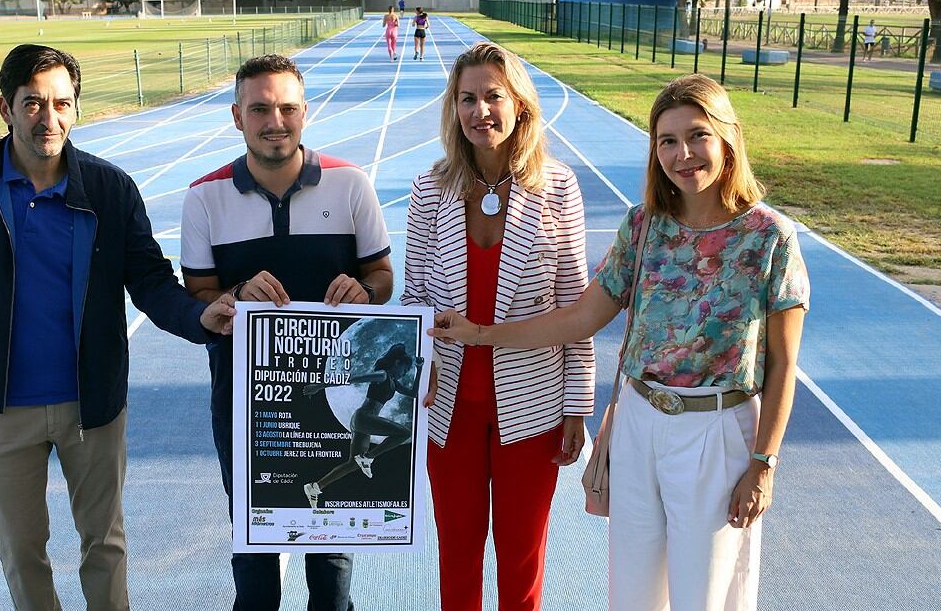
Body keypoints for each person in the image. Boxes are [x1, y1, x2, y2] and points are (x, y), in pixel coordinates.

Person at [431, 73, 810, 611]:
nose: (684, 154)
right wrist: (483, 335)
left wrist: (763, 463)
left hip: (715, 432)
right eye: (667, 141)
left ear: (728, 137)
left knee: (703, 597)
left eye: (697, 135)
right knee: (631, 595)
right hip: (638, 425)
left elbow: (783, 366)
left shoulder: (769, 237)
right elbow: (580, 318)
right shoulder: (643, 226)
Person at [0, 43, 236, 611]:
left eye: (62, 104)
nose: (50, 119)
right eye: (34, 104)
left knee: (104, 545)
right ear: (5, 107)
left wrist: (200, 316)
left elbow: (149, 278)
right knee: (21, 550)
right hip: (2, 405)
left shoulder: (110, 188)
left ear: (76, 107)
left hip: (92, 406)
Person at [180, 53, 394, 611]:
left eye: (287, 108)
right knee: (253, 561)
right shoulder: (204, 196)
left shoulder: (351, 184)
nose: (276, 121)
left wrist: (364, 292)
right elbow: (198, 296)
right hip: (250, 406)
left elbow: (383, 278)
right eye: (260, 109)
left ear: (305, 112)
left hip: (334, 400)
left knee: (331, 562)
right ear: (236, 116)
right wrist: (232, 298)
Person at [402, 41, 596, 611]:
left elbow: (575, 305)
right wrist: (417, 379)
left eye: (493, 96)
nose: (479, 111)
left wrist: (576, 405)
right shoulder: (427, 189)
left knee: (521, 552)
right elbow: (414, 295)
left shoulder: (557, 187)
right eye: (467, 99)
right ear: (453, 109)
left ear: (520, 105)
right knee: (456, 551)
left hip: (533, 405)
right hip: (449, 406)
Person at [301, 343, 423, 507]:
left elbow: (413, 393)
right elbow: (353, 379)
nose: (404, 374)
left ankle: (315, 486)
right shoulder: (382, 375)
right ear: (397, 363)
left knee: (353, 463)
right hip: (364, 418)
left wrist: (419, 369)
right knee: (405, 433)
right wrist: (319, 386)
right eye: (405, 370)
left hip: (363, 421)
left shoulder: (394, 382)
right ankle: (368, 457)